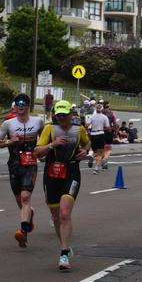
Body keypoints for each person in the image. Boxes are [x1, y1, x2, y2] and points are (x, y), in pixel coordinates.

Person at [35, 99, 90, 271]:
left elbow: (86, 143)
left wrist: (85, 151)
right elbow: (37, 152)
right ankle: (64, 245)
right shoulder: (49, 129)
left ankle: (64, 253)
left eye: (64, 115)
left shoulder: (78, 129)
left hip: (71, 172)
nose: (61, 118)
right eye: (58, 115)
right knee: (57, 215)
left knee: (65, 213)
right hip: (52, 174)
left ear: (71, 114)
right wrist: (52, 144)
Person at [0, 93, 43, 249]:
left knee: (25, 196)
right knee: (20, 201)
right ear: (15, 106)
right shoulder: (8, 124)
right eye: (18, 103)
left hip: (31, 164)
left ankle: (23, 231)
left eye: (23, 103)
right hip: (14, 164)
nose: (20, 106)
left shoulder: (38, 122)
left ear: (29, 106)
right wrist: (10, 141)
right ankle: (29, 216)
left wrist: (42, 152)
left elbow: (44, 140)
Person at [100, 99, 117, 169]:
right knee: (109, 148)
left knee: (103, 147)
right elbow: (115, 123)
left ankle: (103, 162)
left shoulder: (100, 113)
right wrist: (115, 132)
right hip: (109, 131)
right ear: (109, 105)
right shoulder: (112, 113)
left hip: (101, 131)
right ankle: (105, 159)